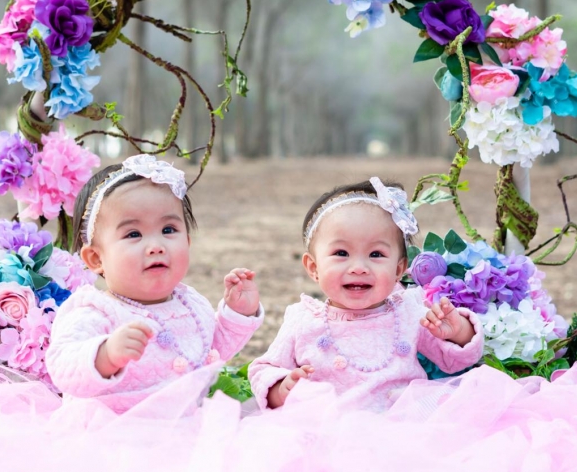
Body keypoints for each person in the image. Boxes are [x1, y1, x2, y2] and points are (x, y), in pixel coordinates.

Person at [46, 155, 264, 412]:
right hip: (116, 429)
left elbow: (210, 350)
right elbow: (62, 364)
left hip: (187, 421)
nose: (156, 246)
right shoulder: (94, 310)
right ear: (96, 258)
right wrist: (105, 355)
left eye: (169, 230)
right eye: (133, 234)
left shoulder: (190, 302)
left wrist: (237, 314)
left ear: (188, 242)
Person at [251, 178, 483, 410]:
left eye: (376, 254)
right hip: (327, 428)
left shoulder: (409, 313)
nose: (359, 267)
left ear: (399, 269)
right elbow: (265, 369)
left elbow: (454, 361)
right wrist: (281, 389)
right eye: (341, 253)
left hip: (401, 424)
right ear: (314, 268)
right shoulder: (303, 320)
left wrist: (459, 331)